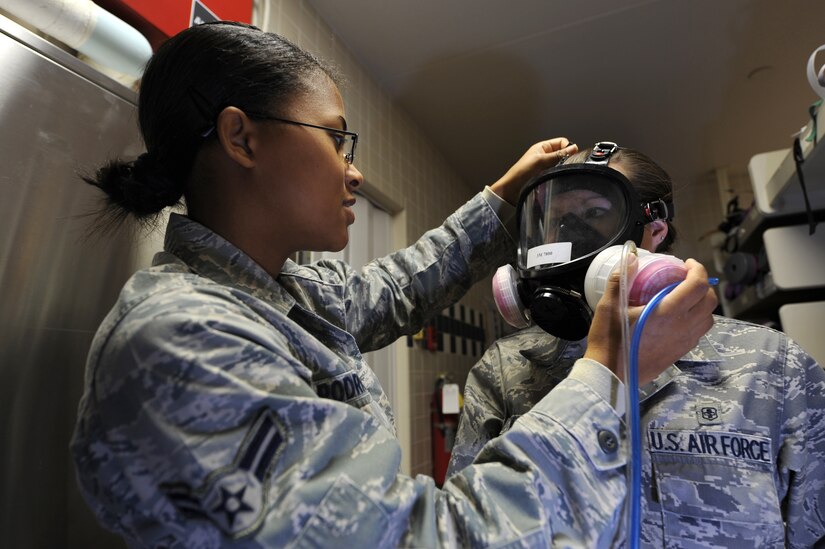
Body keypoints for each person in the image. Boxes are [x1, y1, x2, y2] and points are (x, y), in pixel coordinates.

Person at [70, 22, 717, 548]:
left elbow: (395, 287)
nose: (352, 174)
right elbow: (424, 538)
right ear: (242, 138)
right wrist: (605, 377)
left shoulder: (285, 293)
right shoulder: (185, 342)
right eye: (335, 140)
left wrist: (498, 198)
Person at [448, 144, 825, 547]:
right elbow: (462, 529)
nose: (570, 235)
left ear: (655, 231)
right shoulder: (505, 371)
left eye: (595, 213)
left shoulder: (773, 363)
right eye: (557, 222)